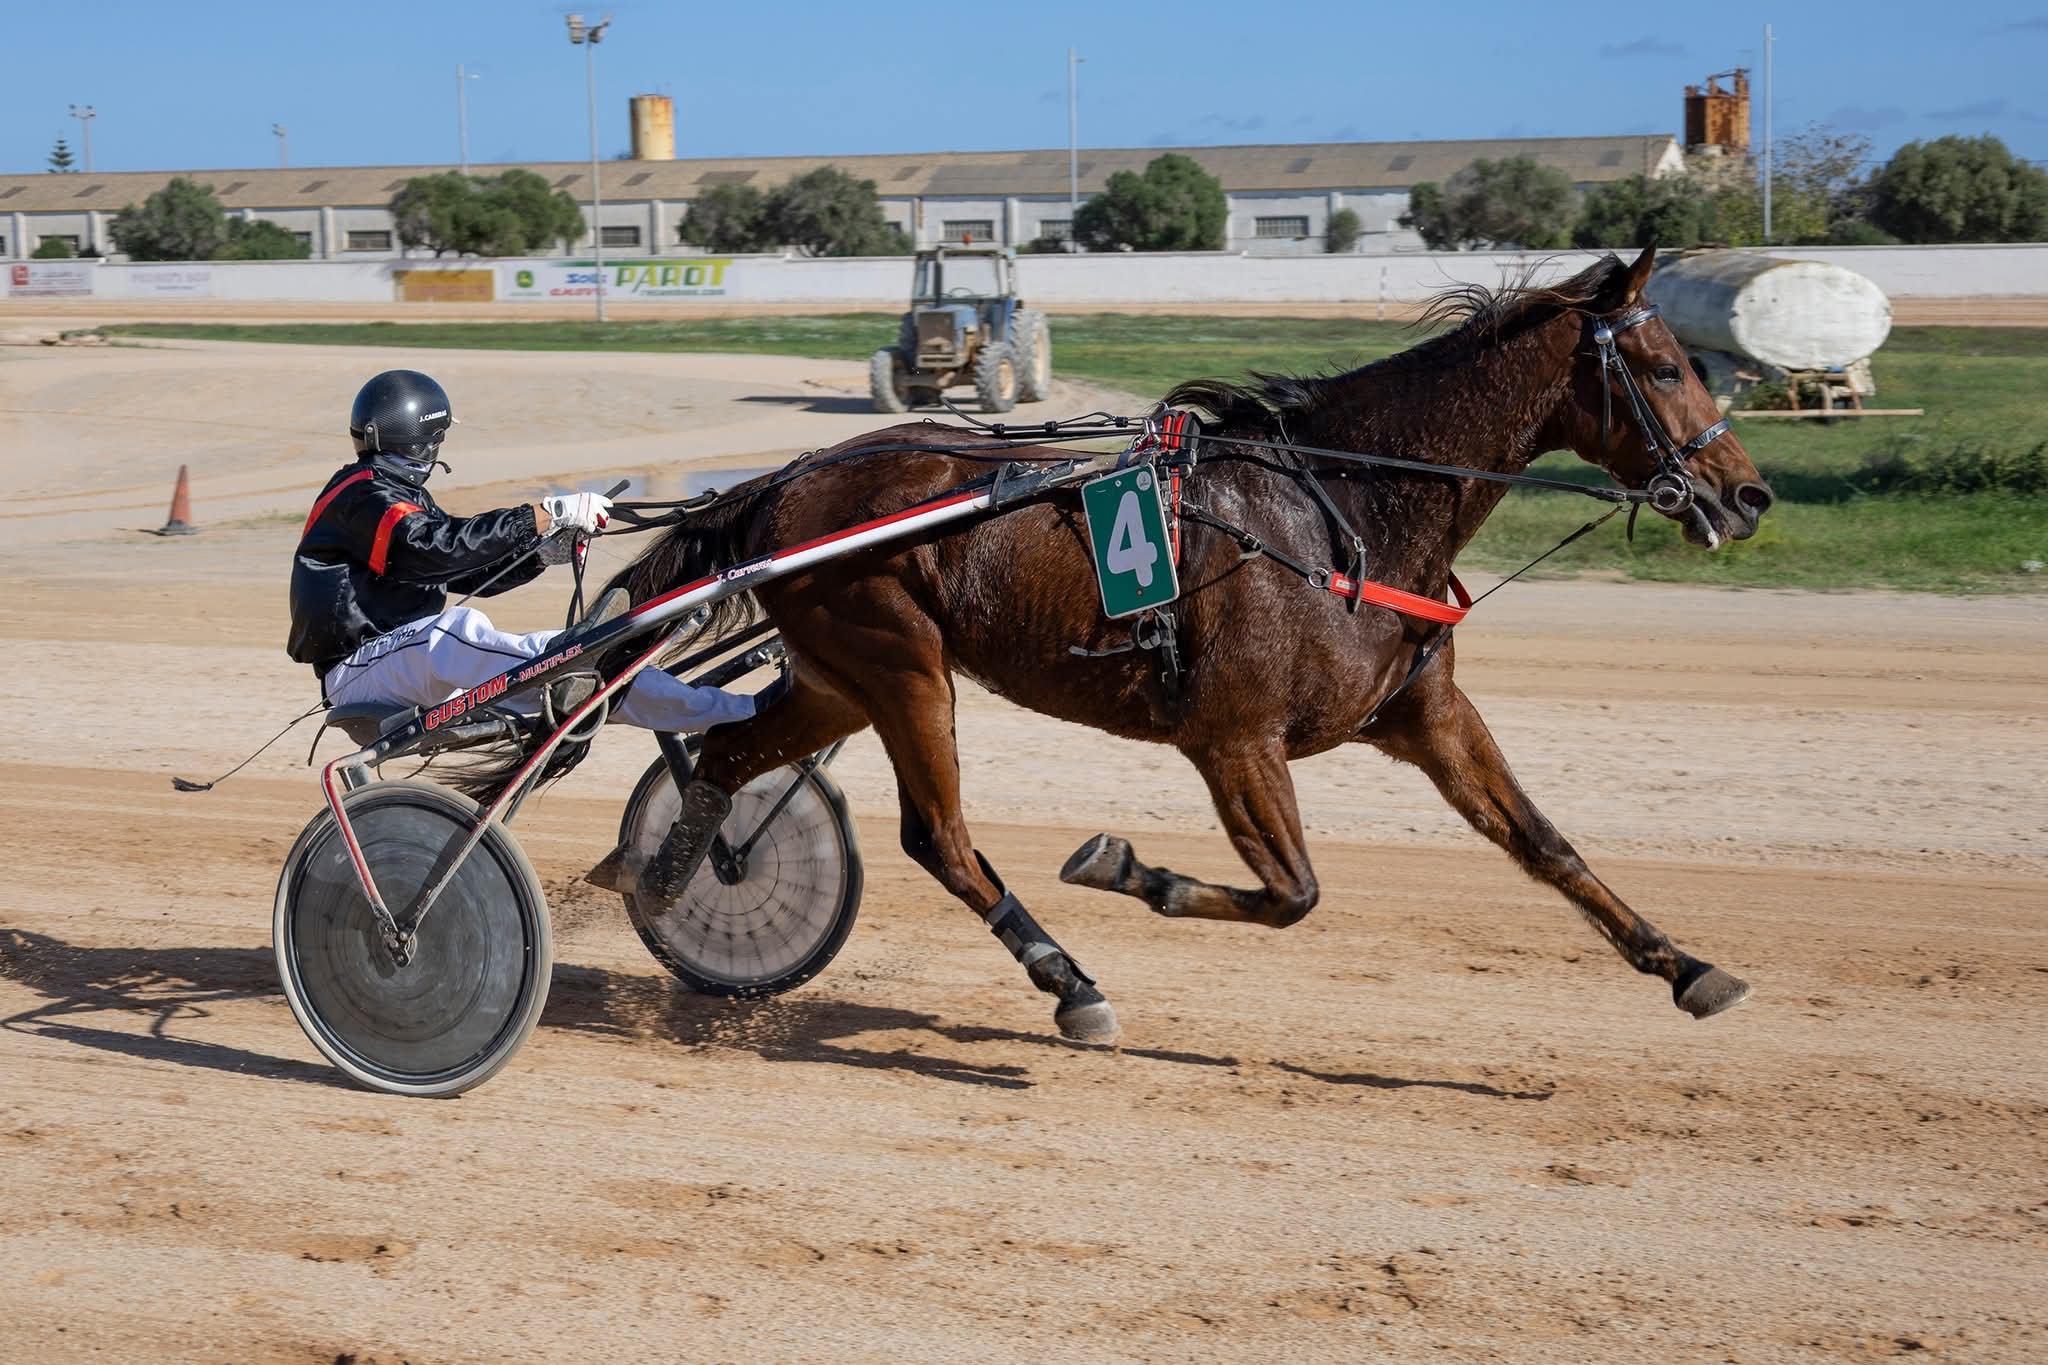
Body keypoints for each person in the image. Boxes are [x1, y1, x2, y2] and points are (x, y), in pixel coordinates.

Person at [288, 369, 754, 737]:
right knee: (454, 632)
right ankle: (562, 673)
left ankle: (735, 715)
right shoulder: (363, 494)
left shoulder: (393, 494)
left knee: (591, 659)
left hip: (400, 664)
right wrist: (541, 514)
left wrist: (543, 553)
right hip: (358, 669)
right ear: (429, 441)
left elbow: (467, 575)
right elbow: (434, 548)